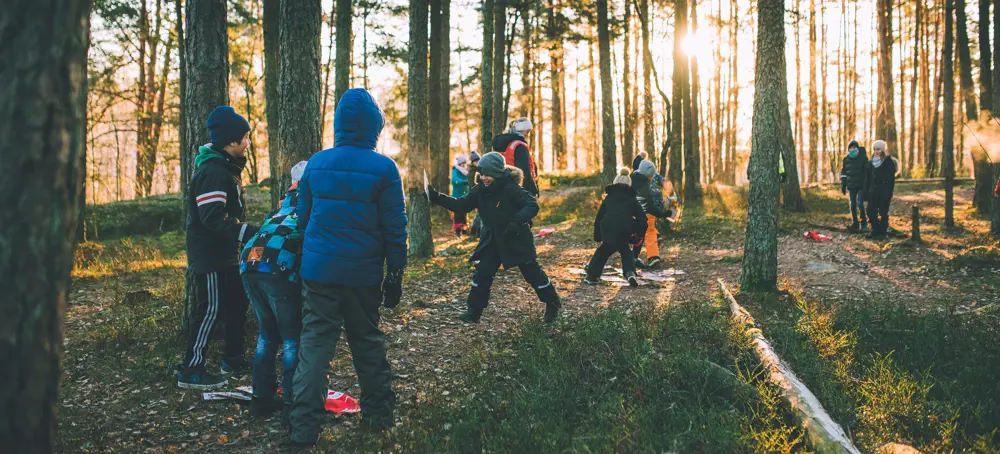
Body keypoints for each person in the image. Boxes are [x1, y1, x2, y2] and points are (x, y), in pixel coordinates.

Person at [290, 88, 408, 445]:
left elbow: (302, 220)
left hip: (319, 273)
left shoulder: (316, 163)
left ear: (339, 124)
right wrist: (396, 274)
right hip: (363, 275)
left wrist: (300, 261)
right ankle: (378, 420)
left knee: (314, 346)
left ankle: (302, 431)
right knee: (367, 342)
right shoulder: (384, 168)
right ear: (375, 126)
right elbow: (395, 228)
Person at [178, 106, 259, 390]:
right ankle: (192, 368)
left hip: (227, 255)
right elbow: (212, 217)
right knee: (210, 309)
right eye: (245, 137)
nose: (248, 142)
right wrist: (246, 231)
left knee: (238, 302)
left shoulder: (226, 169)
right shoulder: (213, 172)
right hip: (211, 256)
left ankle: (233, 357)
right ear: (230, 141)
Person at [428, 152, 562, 324]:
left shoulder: (511, 188)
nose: (484, 178)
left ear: (498, 173)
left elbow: (531, 204)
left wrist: (516, 222)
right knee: (482, 274)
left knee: (532, 273)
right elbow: (461, 204)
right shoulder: (480, 190)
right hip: (492, 240)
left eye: (487, 174)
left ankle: (552, 303)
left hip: (517, 239)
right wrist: (435, 196)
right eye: (481, 174)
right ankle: (473, 312)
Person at [239, 161, 307, 420]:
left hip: (249, 264)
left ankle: (261, 400)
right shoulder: (310, 204)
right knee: (291, 337)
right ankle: (291, 402)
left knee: (267, 334)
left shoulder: (281, 206)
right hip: (278, 269)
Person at [584, 169, 648, 287]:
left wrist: (598, 238)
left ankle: (591, 275)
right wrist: (639, 234)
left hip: (607, 229)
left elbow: (598, 218)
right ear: (629, 184)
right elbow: (642, 219)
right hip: (625, 229)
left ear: (615, 182)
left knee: (603, 251)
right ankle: (630, 273)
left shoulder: (608, 198)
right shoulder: (632, 199)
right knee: (626, 251)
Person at [630, 160, 670, 269]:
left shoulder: (632, 178)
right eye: (651, 176)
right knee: (649, 231)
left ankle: (633, 258)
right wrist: (664, 214)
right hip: (645, 214)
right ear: (648, 176)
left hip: (631, 214)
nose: (652, 177)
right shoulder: (644, 187)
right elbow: (650, 207)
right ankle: (653, 257)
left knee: (640, 235)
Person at [493, 118, 540, 197]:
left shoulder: (505, 144)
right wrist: (532, 189)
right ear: (522, 130)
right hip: (520, 188)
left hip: (504, 186)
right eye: (527, 131)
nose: (528, 134)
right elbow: (524, 171)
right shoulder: (519, 146)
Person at [864, 140, 897, 239]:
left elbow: (891, 180)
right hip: (872, 192)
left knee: (883, 212)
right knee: (870, 211)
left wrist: (888, 193)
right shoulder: (871, 163)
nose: (876, 151)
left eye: (878, 149)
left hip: (883, 192)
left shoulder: (888, 162)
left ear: (883, 150)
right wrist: (866, 192)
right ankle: (875, 229)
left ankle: (882, 231)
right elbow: (867, 179)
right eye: (874, 149)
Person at [840, 140, 868, 231]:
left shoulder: (863, 158)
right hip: (851, 186)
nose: (852, 150)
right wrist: (843, 185)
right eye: (851, 148)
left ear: (857, 148)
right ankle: (855, 223)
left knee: (860, 204)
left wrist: (866, 185)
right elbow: (844, 173)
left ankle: (864, 223)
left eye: (854, 148)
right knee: (852, 205)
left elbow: (866, 172)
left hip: (861, 186)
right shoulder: (846, 159)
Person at [451, 154, 471, 237]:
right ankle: (457, 231)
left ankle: (464, 230)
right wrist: (464, 182)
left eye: (464, 163)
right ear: (459, 163)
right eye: (462, 163)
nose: (463, 164)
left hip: (465, 194)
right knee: (458, 214)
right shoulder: (455, 170)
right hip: (457, 195)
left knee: (464, 213)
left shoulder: (466, 171)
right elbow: (455, 180)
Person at [468, 152, 483, 237]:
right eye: (475, 161)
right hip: (476, 193)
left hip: (479, 192)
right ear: (472, 162)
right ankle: (474, 232)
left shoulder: (479, 169)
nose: (477, 162)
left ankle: (475, 232)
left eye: (478, 160)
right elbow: (471, 184)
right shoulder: (472, 171)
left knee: (479, 213)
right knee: (480, 213)